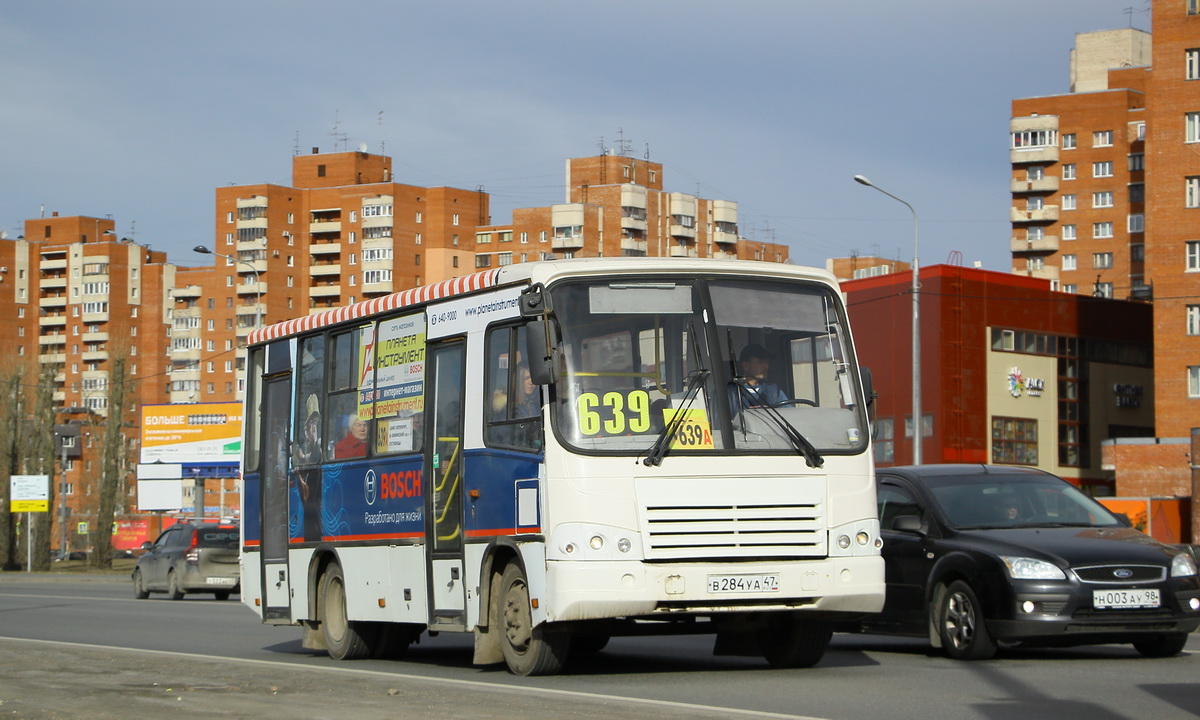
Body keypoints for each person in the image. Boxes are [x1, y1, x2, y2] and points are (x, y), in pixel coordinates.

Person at [292, 394, 323, 541]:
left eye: (315, 424)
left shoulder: (319, 449)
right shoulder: (305, 453)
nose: (312, 429)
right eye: (310, 424)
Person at [730, 343, 788, 409]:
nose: (766, 366)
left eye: (766, 362)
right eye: (760, 362)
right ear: (746, 366)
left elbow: (788, 413)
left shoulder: (774, 391)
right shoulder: (731, 393)